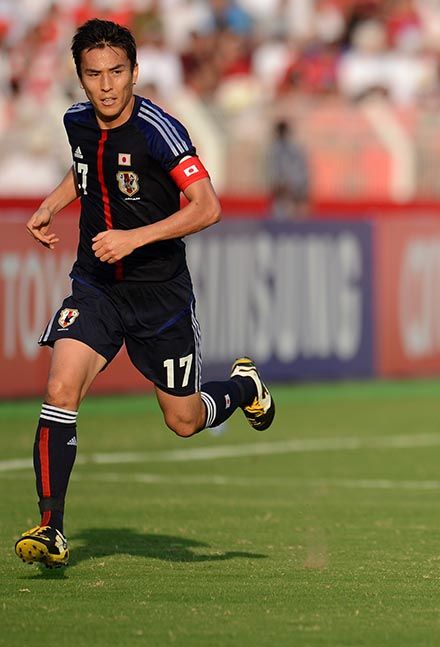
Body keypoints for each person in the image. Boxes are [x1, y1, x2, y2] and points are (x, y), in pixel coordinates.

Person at [14, 19, 276, 569]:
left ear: (135, 72)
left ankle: (241, 387)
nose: (106, 86)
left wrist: (135, 237)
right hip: (97, 287)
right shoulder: (76, 121)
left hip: (159, 297)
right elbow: (88, 168)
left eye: (116, 72)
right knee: (61, 387)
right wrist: (53, 203)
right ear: (80, 79)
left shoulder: (163, 130)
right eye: (94, 75)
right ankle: (50, 527)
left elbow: (208, 207)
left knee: (182, 420)